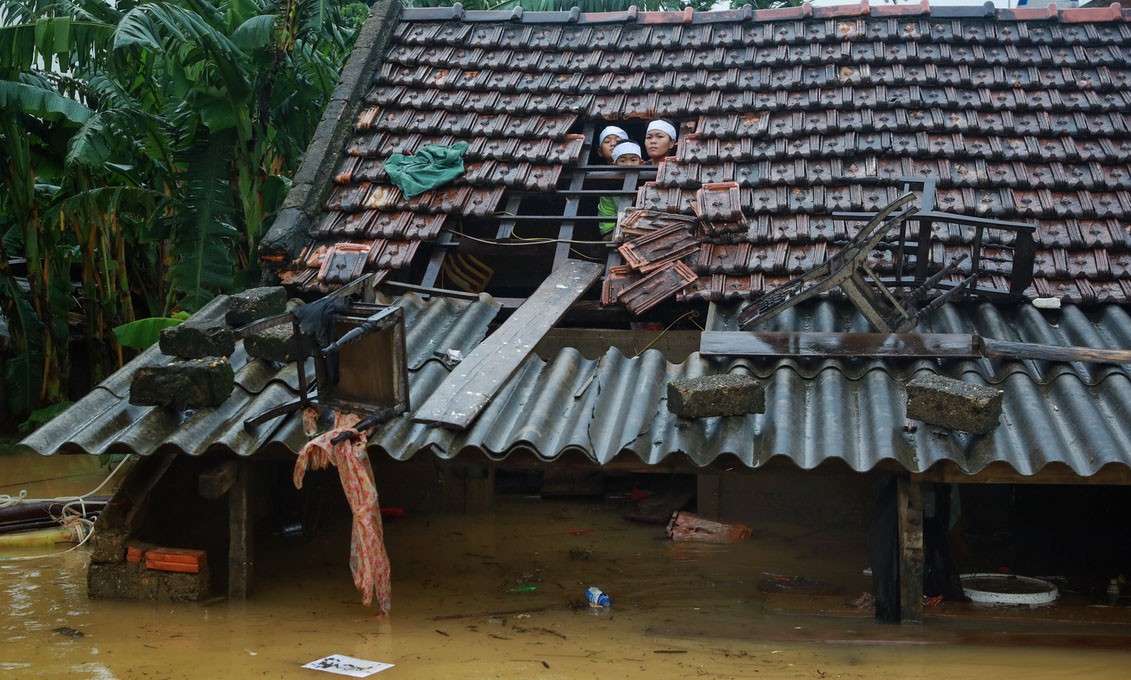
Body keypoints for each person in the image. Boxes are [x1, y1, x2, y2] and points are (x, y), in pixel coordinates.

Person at [597, 142, 644, 237]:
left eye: (633, 160)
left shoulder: (648, 181)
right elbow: (606, 227)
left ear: (641, 162)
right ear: (614, 164)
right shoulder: (609, 188)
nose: (628, 164)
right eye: (622, 161)